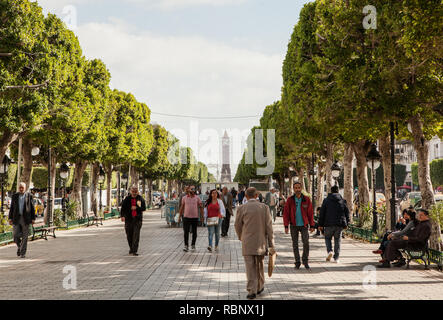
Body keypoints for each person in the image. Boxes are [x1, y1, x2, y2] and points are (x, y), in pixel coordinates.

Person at [235, 187, 275, 300]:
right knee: (259, 265)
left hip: (247, 242)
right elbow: (269, 227)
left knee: (250, 267)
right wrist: (271, 243)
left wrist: (241, 236)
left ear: (246, 196)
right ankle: (260, 286)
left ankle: (251, 290)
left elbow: (237, 225)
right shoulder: (264, 208)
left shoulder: (241, 208)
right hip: (261, 242)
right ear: (257, 195)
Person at [283, 182, 315, 270]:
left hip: (304, 225)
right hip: (293, 225)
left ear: (301, 188)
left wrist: (312, 225)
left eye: (299, 188)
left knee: (306, 243)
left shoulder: (306, 199)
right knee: (295, 244)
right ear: (293, 189)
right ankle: (297, 262)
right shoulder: (290, 200)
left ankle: (305, 261)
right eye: (296, 188)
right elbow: (286, 214)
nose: (297, 189)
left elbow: (310, 213)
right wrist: (286, 226)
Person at [318, 186, 350, 263]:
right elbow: (347, 213)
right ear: (338, 191)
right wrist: (347, 223)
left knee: (327, 238)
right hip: (339, 224)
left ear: (331, 191)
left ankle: (330, 251)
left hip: (328, 224)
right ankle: (336, 258)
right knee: (337, 240)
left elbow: (322, 213)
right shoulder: (342, 200)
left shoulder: (326, 200)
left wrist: (320, 224)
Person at [8, 182, 36, 258]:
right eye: (20, 187)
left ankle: (23, 253)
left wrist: (33, 218)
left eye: (22, 188)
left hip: (26, 218)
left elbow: (32, 208)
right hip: (16, 218)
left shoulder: (29, 196)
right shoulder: (14, 196)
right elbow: (12, 208)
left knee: (25, 236)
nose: (21, 189)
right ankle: (20, 247)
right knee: (15, 235)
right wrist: (10, 218)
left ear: (25, 188)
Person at [121, 186, 146, 256]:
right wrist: (122, 216)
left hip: (137, 220)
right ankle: (131, 248)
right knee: (129, 235)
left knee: (136, 235)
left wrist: (137, 208)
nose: (134, 193)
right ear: (130, 191)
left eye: (135, 191)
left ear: (137, 191)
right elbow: (123, 208)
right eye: (133, 191)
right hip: (128, 219)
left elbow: (144, 208)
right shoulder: (127, 199)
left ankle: (134, 250)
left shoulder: (140, 199)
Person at [178, 185, 203, 252]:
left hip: (195, 217)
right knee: (186, 232)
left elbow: (201, 207)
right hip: (186, 217)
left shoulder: (197, 198)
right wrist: (179, 216)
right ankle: (186, 245)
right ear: (188, 190)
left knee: (194, 232)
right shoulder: (184, 198)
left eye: (194, 189)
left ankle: (193, 244)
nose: (193, 190)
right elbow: (182, 207)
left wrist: (202, 217)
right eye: (191, 189)